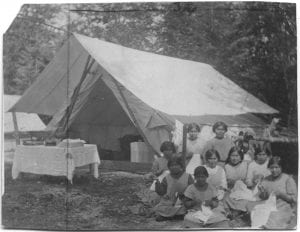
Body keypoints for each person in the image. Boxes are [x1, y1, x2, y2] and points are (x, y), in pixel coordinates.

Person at [247, 156, 297, 229]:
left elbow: (294, 199)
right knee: (253, 208)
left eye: (277, 167)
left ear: (281, 167)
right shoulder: (266, 180)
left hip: (284, 206)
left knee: (273, 217)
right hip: (268, 205)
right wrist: (262, 192)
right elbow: (264, 197)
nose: (274, 170)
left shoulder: (288, 179)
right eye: (271, 167)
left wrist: (281, 194)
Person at [153, 157, 194, 221]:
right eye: (172, 165)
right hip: (169, 202)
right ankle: (174, 216)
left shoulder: (188, 176)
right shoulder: (166, 178)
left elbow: (192, 190)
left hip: (183, 201)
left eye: (176, 165)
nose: (174, 167)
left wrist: (185, 196)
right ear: (169, 167)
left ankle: (170, 216)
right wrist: (157, 183)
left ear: (181, 166)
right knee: (161, 207)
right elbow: (161, 192)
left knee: (187, 206)